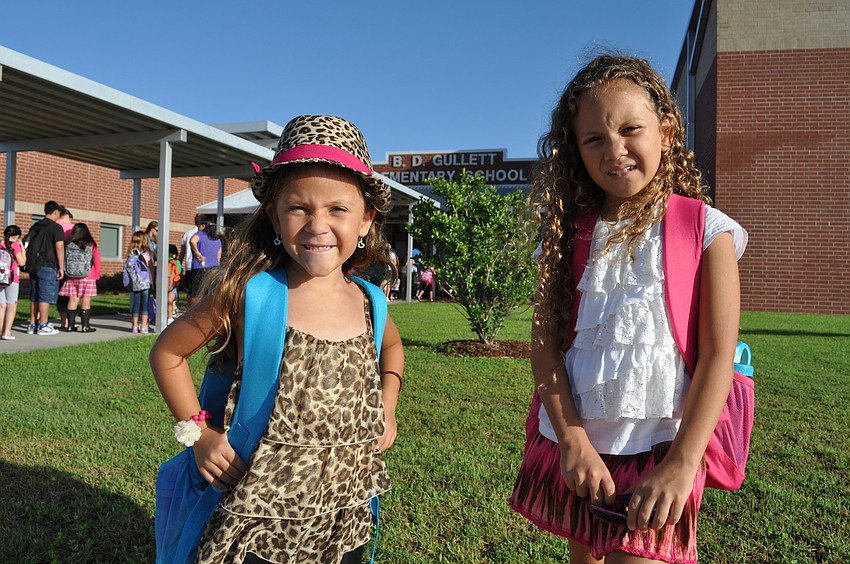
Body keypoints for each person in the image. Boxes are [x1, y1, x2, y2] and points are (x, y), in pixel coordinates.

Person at [508, 55, 748, 564]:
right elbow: (545, 347)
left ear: (664, 129)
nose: (614, 149)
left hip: (664, 451)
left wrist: (684, 463)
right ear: (575, 149)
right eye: (594, 138)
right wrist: (573, 440)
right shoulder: (566, 235)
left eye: (630, 129)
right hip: (578, 448)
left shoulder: (706, 231)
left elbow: (717, 357)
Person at [150, 114, 405, 563]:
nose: (317, 225)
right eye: (299, 208)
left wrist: (388, 402)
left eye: (337, 209)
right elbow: (167, 352)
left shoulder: (369, 301)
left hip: (342, 509)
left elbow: (392, 350)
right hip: (259, 510)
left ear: (367, 219)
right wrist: (200, 435)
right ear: (274, 215)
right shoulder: (251, 294)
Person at [23, 200, 65, 335]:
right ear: (56, 212)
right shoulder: (56, 227)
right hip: (47, 264)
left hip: (33, 264)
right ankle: (43, 325)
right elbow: (59, 246)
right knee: (45, 296)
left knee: (34, 295)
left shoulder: (36, 225)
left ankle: (32, 323)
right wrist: (61, 266)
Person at [58, 222, 100, 332]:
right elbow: (96, 260)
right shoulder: (91, 244)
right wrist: (97, 275)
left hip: (71, 276)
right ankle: (85, 326)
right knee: (85, 301)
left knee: (72, 300)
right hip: (88, 276)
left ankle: (70, 325)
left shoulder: (68, 244)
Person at [0, 225, 27, 340]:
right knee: (11, 304)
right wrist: (23, 250)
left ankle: (0, 330)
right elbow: (21, 262)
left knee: (1, 305)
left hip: (1, 278)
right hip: (12, 279)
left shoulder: (0, 244)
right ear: (16, 236)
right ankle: (7, 331)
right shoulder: (15, 246)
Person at [188, 216, 222, 305]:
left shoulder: (201, 234)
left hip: (200, 268)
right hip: (214, 269)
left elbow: (192, 241)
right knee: (211, 295)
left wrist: (197, 253)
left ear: (204, 226)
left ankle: (193, 314)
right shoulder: (217, 239)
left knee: (197, 295)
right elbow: (219, 255)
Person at [125, 230, 154, 334]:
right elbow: (151, 268)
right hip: (146, 282)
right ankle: (144, 326)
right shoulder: (147, 253)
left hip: (135, 283)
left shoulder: (131, 253)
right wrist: (153, 281)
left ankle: (134, 326)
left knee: (136, 304)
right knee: (145, 304)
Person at [56, 207, 74, 330]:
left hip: (52, 263)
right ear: (67, 216)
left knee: (57, 295)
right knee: (69, 295)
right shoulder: (72, 228)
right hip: (70, 266)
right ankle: (69, 321)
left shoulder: (52, 226)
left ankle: (63, 321)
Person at [179, 214, 202, 303]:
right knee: (199, 291)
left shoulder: (187, 233)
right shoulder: (202, 234)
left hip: (188, 265)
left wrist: (179, 263)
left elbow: (182, 251)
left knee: (190, 291)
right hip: (199, 265)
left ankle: (189, 309)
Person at [166, 243, 182, 325]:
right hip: (173, 284)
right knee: (170, 302)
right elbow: (179, 272)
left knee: (164, 301)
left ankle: (163, 315)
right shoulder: (176, 262)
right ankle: (170, 317)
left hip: (164, 284)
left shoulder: (163, 261)